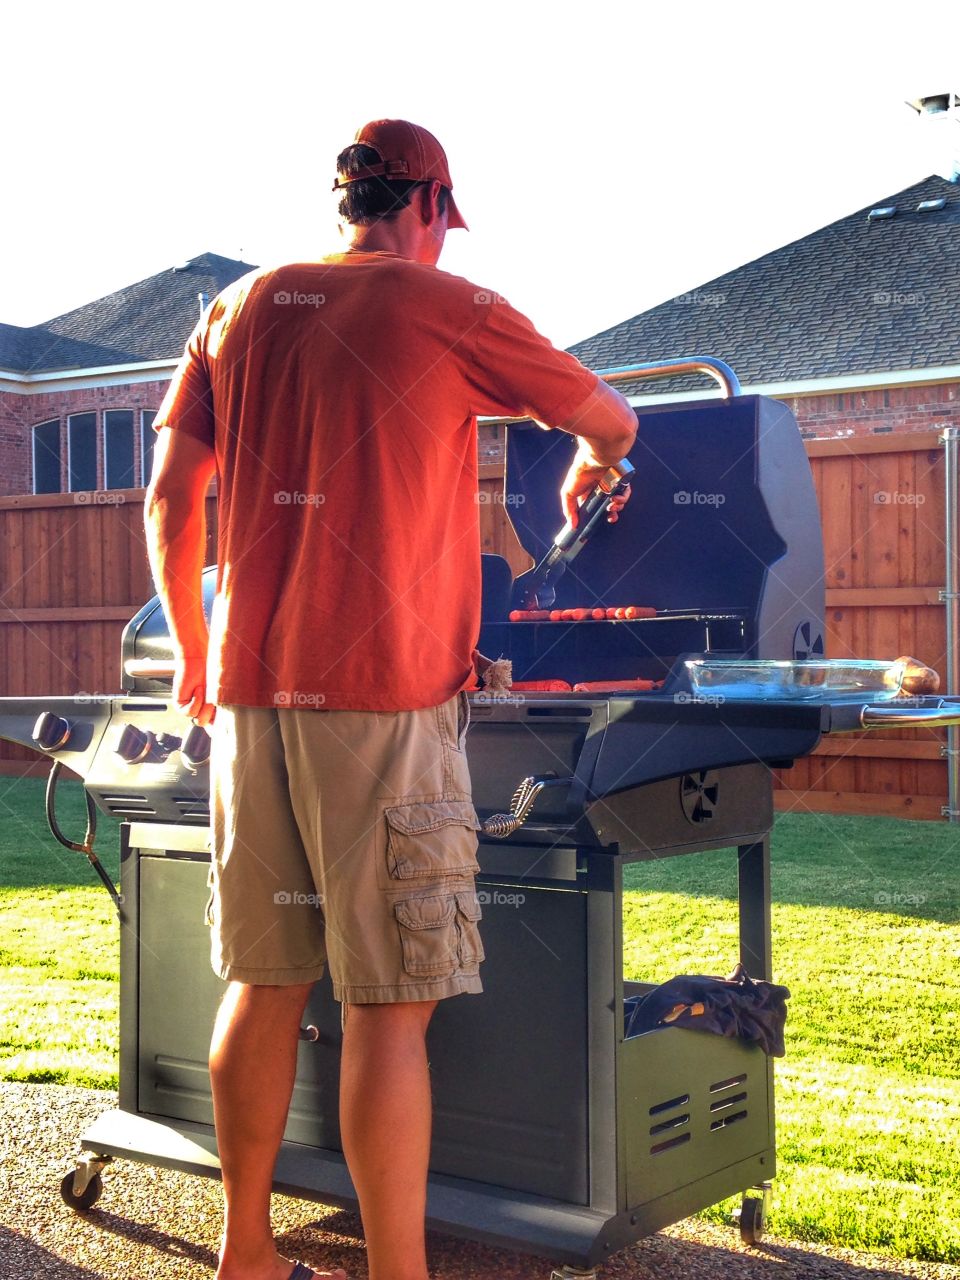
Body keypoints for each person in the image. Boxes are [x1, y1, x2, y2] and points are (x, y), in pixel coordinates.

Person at [144, 118, 637, 1280]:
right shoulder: (451, 307)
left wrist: (191, 647)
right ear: (433, 208)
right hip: (384, 707)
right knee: (390, 1001)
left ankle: (247, 1250)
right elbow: (612, 419)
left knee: (262, 982)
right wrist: (595, 460)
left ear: (344, 202)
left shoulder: (240, 306)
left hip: (253, 700)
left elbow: (171, 492)